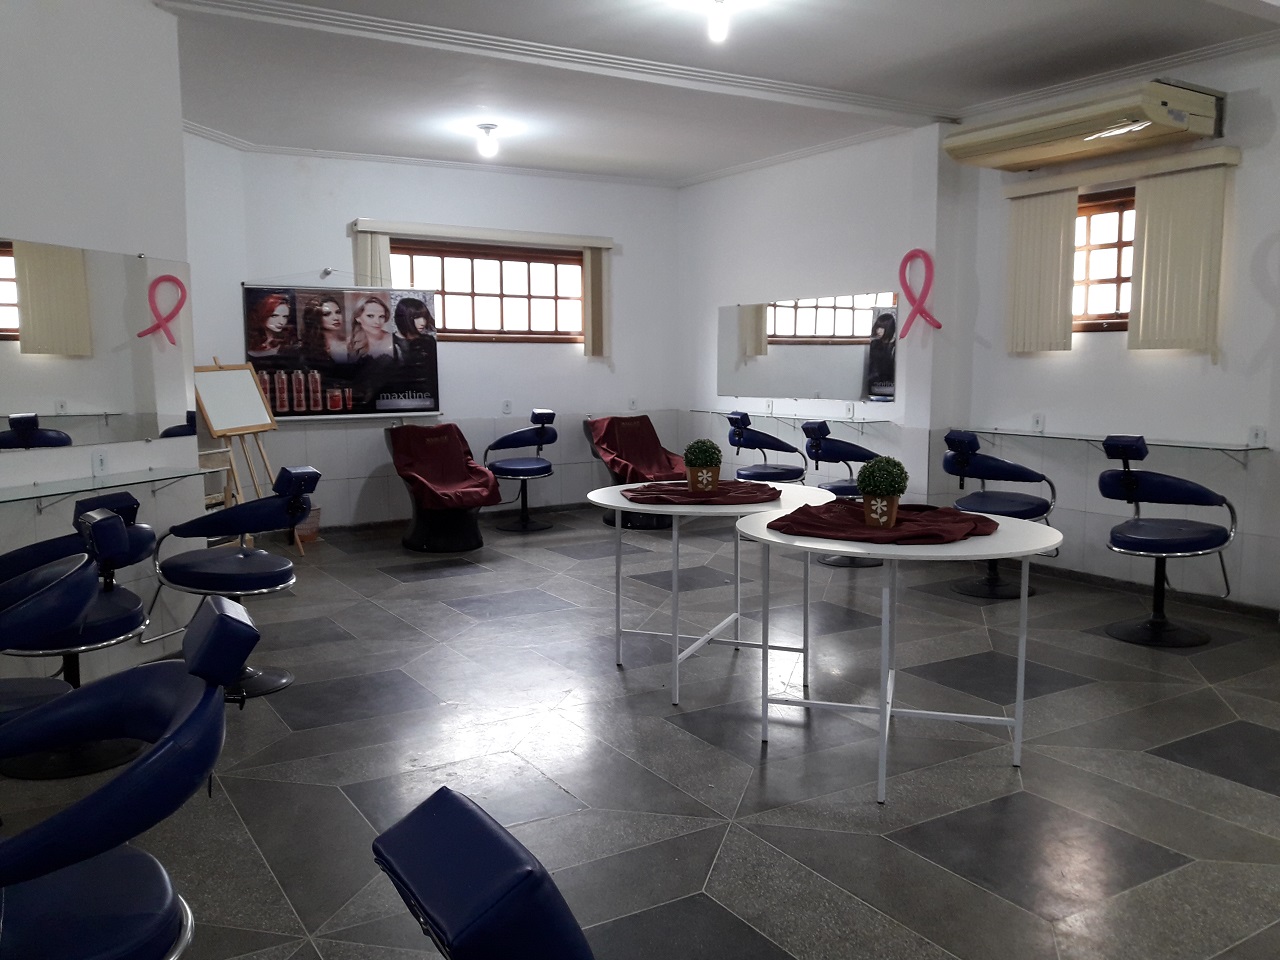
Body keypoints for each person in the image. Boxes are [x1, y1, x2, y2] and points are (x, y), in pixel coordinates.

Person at [246, 292, 299, 357]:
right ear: (263, 314)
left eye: (285, 317)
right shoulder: (250, 341)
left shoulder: (289, 344)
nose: (281, 322)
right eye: (274, 316)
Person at [301, 295, 350, 365]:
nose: (336, 318)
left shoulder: (351, 344)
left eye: (338, 312)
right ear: (316, 318)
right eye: (327, 314)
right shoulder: (308, 349)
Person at [392, 296, 438, 367]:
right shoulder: (390, 341)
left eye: (425, 317)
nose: (423, 322)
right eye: (416, 318)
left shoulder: (429, 341)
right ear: (404, 318)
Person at [348, 295, 394, 360]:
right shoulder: (349, 343)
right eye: (370, 316)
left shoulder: (393, 340)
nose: (377, 322)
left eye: (381, 316)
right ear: (358, 318)